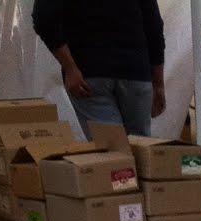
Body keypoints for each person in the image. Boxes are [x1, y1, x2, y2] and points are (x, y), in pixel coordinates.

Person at [32, 0, 166, 138]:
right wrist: (158, 82)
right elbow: (154, 25)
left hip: (89, 74)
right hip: (136, 73)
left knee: (110, 149)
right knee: (142, 148)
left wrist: (70, 67)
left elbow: (43, 19)